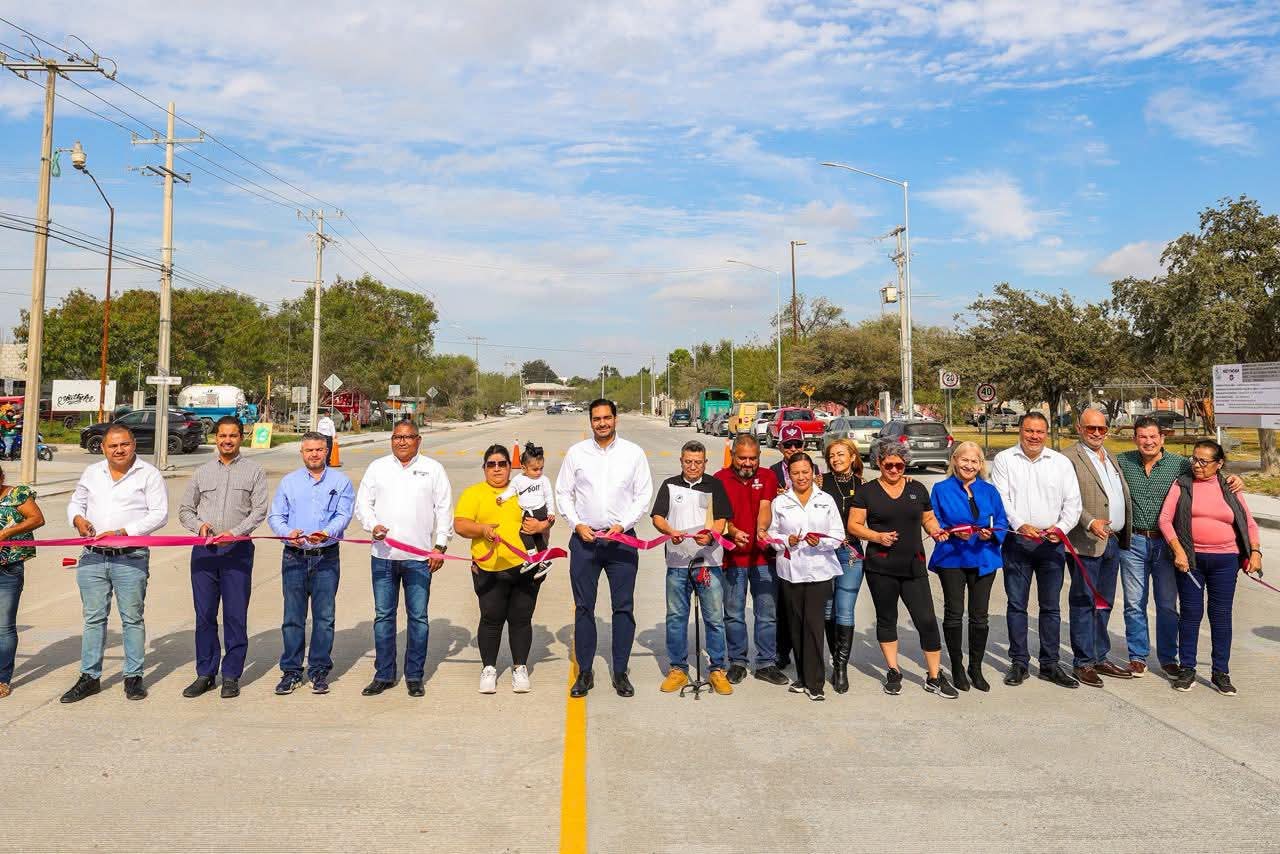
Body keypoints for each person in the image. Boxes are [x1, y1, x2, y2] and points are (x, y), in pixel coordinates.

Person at [1116, 417, 1245, 678]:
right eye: (1142, 436)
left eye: (1153, 436)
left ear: (1162, 438)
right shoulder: (1122, 462)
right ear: (1135, 439)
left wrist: (1235, 479)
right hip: (1134, 542)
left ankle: (1167, 658)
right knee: (1133, 603)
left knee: (1166, 604)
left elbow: (1209, 472)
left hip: (1167, 544)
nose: (1148, 441)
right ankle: (1138, 656)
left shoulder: (1180, 465)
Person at [61, 425, 168, 703]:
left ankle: (133, 677)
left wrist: (125, 532)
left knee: (132, 618)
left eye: (124, 445)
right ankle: (90, 677)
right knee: (94, 619)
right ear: (103, 448)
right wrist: (78, 520)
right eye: (112, 446)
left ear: (133, 445)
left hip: (130, 557)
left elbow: (160, 514)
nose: (119, 450)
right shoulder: (92, 472)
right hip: (93, 556)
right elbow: (76, 503)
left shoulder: (149, 474)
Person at [555, 399, 653, 698]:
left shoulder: (633, 453)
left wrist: (622, 525)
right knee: (584, 608)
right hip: (585, 542)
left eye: (607, 418)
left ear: (616, 419)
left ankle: (620, 671)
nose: (602, 423)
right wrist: (576, 524)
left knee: (623, 607)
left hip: (621, 542)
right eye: (596, 419)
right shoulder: (576, 453)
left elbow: (643, 494)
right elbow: (563, 492)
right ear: (590, 421)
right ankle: (585, 671)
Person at [848, 441, 956, 699]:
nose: (895, 469)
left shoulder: (917, 488)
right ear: (879, 463)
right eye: (889, 465)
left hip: (913, 565)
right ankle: (893, 671)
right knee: (887, 619)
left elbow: (928, 518)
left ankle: (933, 675)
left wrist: (935, 530)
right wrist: (876, 536)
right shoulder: (867, 491)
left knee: (927, 620)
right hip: (881, 567)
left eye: (900, 464)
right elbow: (854, 525)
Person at [1158, 439, 1262, 695]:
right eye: (1194, 459)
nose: (1197, 465)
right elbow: (1165, 519)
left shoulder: (1230, 487)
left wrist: (1256, 552)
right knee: (1191, 615)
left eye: (1204, 461)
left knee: (1221, 617)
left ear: (1219, 464)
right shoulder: (1182, 483)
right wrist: (1179, 551)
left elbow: (1248, 523)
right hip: (1191, 561)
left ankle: (1220, 672)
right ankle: (1188, 669)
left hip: (1226, 561)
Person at [355, 421, 451, 698]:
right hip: (383, 558)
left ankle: (414, 675)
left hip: (420, 559)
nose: (402, 442)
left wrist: (440, 545)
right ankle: (384, 674)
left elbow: (444, 509)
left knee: (418, 618)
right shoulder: (378, 468)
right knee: (384, 617)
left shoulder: (433, 469)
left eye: (408, 437)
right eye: (397, 437)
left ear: (419, 440)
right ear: (391, 439)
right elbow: (364, 504)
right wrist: (372, 525)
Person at [177, 416, 268, 699]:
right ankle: (205, 673)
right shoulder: (202, 472)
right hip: (205, 552)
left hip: (237, 551)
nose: (227, 440)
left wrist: (236, 532)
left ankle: (231, 675)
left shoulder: (254, 471)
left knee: (234, 616)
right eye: (222, 436)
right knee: (204, 615)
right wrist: (199, 526)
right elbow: (185, 510)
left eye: (233, 435)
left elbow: (259, 510)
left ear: (241, 437)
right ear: (215, 438)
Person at [990, 412, 1082, 689]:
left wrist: (1061, 528)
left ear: (1046, 432)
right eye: (1029, 431)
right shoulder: (1005, 459)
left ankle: (1050, 664)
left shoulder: (1061, 463)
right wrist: (1019, 525)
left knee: (1051, 607)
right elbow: (1001, 498)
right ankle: (1019, 662)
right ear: (1020, 431)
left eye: (1040, 432)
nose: (1034, 436)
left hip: (1051, 544)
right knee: (1017, 604)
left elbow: (1073, 503)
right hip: (1017, 542)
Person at [454, 445, 552, 694]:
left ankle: (520, 667)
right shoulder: (474, 493)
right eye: (491, 464)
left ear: (511, 467)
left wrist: (541, 527)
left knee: (521, 619)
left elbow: (546, 516)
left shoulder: (525, 488)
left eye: (502, 464)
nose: (497, 468)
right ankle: (489, 668)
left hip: (525, 568)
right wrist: (483, 529)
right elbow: (461, 525)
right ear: (484, 468)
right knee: (491, 619)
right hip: (489, 568)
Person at [267, 432, 355, 696]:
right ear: (302, 453)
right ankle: (291, 671)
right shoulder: (289, 483)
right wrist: (287, 532)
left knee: (324, 618)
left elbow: (343, 514)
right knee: (293, 618)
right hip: (294, 557)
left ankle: (318, 671)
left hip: (325, 558)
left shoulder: (341, 482)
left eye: (319, 450)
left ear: (327, 451)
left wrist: (327, 532)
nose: (314, 454)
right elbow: (276, 516)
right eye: (309, 450)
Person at [651, 441, 734, 696]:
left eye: (698, 462)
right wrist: (669, 531)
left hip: (708, 562)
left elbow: (722, 519)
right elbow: (658, 517)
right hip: (677, 563)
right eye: (688, 461)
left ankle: (717, 669)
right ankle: (677, 668)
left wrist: (711, 535)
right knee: (676, 618)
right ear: (681, 461)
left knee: (714, 618)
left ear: (705, 463)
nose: (693, 466)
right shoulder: (669, 485)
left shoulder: (714, 485)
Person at [1061, 407, 1134, 687]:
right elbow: (1068, 500)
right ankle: (1082, 662)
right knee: (1083, 602)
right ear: (1079, 428)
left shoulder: (1111, 457)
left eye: (1101, 429)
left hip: (1112, 541)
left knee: (1104, 602)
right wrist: (1090, 522)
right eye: (1090, 428)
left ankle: (1099, 656)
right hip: (1086, 542)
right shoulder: (1068, 458)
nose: (1096, 433)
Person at [928, 441, 1007, 692]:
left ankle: (976, 666)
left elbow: (1001, 520)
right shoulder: (941, 489)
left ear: (981, 465)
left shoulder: (989, 490)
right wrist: (951, 532)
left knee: (979, 615)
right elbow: (934, 519)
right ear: (954, 460)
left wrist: (991, 534)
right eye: (965, 460)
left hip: (984, 556)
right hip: (953, 556)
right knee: (954, 612)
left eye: (974, 462)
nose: (969, 465)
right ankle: (958, 666)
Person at [713, 434, 789, 686]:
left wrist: (761, 530)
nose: (747, 463)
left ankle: (766, 663)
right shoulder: (719, 479)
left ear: (759, 457)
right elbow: (717, 518)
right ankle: (737, 661)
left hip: (762, 559)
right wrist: (733, 531)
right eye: (742, 458)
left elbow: (766, 506)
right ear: (733, 455)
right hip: (732, 560)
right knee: (733, 613)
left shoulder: (768, 477)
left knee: (766, 613)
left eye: (753, 459)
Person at [766, 453, 843, 700]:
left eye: (805, 472)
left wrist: (819, 542)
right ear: (789, 474)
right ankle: (802, 676)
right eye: (796, 473)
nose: (801, 477)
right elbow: (771, 534)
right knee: (796, 625)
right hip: (790, 571)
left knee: (813, 625)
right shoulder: (780, 502)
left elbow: (838, 535)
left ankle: (816, 684)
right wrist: (784, 541)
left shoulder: (826, 499)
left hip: (820, 570)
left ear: (813, 473)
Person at [768, 424, 818, 671]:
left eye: (797, 444)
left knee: (807, 609)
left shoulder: (814, 469)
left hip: (810, 553)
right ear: (780, 447)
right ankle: (781, 651)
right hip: (782, 550)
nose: (793, 449)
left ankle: (807, 652)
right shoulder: (771, 473)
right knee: (783, 605)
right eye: (788, 445)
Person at [818, 438, 864, 694]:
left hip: (851, 554)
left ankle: (840, 667)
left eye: (841, 454)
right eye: (832, 456)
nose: (836, 459)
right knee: (827, 609)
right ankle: (835, 658)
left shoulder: (865, 486)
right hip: (824, 553)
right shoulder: (820, 483)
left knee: (844, 609)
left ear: (853, 457)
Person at [0, 465, 44, 699]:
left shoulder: (17, 495)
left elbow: (37, 518)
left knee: (4, 626)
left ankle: (2, 678)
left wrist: (7, 533)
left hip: (8, 569)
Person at [496, 441, 556, 577]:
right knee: (536, 536)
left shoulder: (543, 480)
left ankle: (532, 557)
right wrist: (502, 497)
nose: (539, 472)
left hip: (539, 510)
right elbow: (511, 490)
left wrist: (551, 512)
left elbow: (549, 497)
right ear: (524, 467)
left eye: (541, 468)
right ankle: (544, 560)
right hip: (527, 511)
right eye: (535, 469)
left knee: (524, 533)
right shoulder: (518, 480)